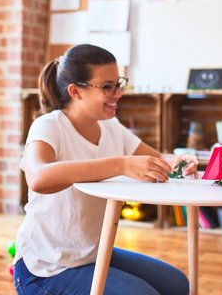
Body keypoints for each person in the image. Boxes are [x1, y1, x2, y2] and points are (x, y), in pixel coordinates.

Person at [13, 44, 196, 295]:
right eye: (107, 86)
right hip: (45, 268)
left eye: (118, 83)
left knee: (177, 285)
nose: (118, 93)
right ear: (76, 91)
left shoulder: (111, 127)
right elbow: (38, 177)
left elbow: (158, 159)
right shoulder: (48, 126)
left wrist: (180, 161)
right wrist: (120, 164)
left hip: (89, 254)